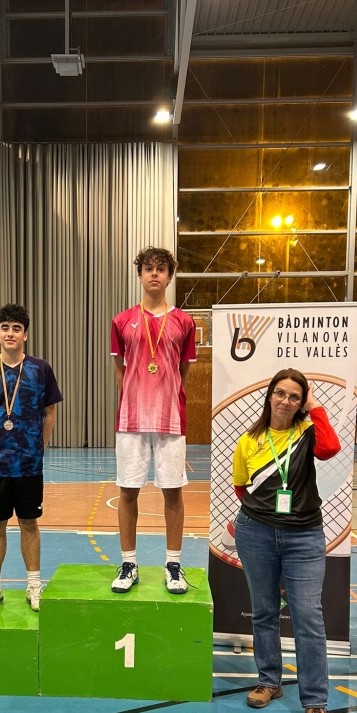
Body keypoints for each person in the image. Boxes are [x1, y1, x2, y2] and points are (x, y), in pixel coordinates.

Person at [232, 368, 341, 713]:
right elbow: (241, 487)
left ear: (301, 403)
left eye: (295, 396)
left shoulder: (308, 433)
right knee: (264, 610)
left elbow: (331, 449)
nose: (286, 401)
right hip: (256, 533)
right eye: (280, 393)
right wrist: (262, 515)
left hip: (304, 537)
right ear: (270, 395)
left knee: (308, 617)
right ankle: (269, 681)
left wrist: (314, 407)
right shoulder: (249, 440)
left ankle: (315, 701)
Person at [0, 303, 62, 613]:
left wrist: (39, 447)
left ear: (25, 335)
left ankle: (34, 585)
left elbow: (49, 412)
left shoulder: (40, 369)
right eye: (5, 328)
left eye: (16, 329)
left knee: (29, 522)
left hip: (29, 464)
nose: (10, 333)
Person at [110, 245, 197, 596]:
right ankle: (129, 563)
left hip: (170, 419)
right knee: (128, 491)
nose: (155, 274)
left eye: (162, 269)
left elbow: (184, 371)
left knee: (173, 492)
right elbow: (120, 370)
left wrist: (167, 396)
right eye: (149, 268)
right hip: (131, 419)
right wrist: (136, 397)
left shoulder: (184, 322)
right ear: (140, 275)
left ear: (170, 277)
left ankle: (173, 564)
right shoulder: (121, 321)